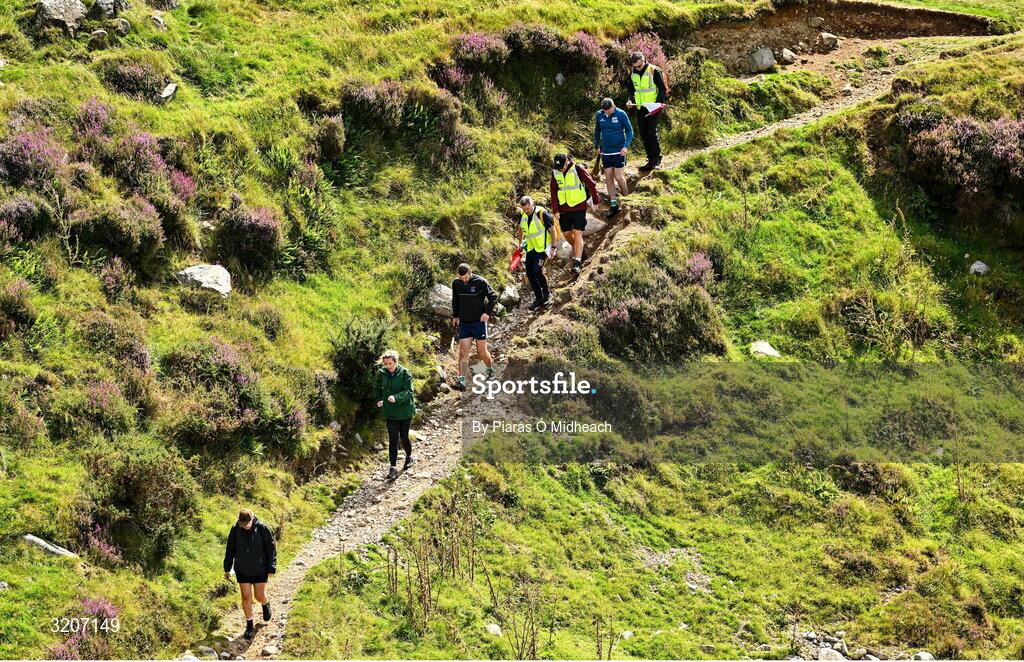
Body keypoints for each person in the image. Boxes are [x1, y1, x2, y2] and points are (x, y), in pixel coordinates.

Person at [223, 509, 277, 641]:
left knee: (259, 596)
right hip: (242, 570)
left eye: (247, 523)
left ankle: (265, 604)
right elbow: (230, 549)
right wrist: (227, 568)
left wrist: (271, 567)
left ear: (252, 518)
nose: (245, 525)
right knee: (246, 598)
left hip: (260, 569)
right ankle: (249, 625)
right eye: (243, 523)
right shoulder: (235, 529)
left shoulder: (262, 528)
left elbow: (271, 547)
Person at [549, 153, 600, 275]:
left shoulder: (578, 168)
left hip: (579, 207)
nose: (560, 169)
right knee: (566, 234)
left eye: (562, 166)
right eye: (558, 167)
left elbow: (591, 184)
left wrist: (596, 201)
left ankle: (577, 262)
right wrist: (555, 210)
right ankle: (581, 251)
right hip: (563, 209)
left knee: (578, 233)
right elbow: (553, 192)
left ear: (567, 161)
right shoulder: (555, 172)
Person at [451, 263, 498, 391]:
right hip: (465, 323)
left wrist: (487, 313)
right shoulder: (456, 283)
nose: (464, 280)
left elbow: (493, 297)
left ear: (470, 272)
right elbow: (455, 300)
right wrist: (455, 316)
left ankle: (490, 370)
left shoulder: (480, 282)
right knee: (463, 353)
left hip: (479, 322)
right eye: (462, 278)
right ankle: (462, 381)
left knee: (481, 352)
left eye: (466, 278)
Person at [374, 349, 415, 480]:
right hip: (390, 412)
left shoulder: (405, 373)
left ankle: (409, 457)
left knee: (404, 437)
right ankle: (392, 468)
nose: (388, 366)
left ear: (396, 362)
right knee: (392, 440)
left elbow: (409, 390)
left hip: (405, 411)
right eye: (385, 364)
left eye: (390, 363)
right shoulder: (382, 373)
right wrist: (380, 399)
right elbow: (377, 387)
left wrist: (396, 397)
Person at [625, 51, 668, 172]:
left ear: (644, 60)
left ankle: (657, 159)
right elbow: (631, 89)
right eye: (635, 66)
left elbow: (662, 89)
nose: (637, 68)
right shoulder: (633, 72)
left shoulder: (654, 70)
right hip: (640, 107)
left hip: (654, 107)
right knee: (644, 134)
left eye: (639, 65)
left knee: (651, 132)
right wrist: (629, 100)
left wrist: (658, 104)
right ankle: (650, 160)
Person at [594, 98, 634, 220]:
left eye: (609, 110)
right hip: (606, 151)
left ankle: (626, 199)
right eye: (605, 111)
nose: (607, 113)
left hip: (619, 151)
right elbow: (597, 130)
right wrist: (596, 145)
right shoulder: (599, 114)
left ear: (613, 106)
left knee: (618, 176)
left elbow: (630, 131)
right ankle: (613, 204)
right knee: (608, 177)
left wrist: (626, 147)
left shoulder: (621, 114)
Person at [516, 196, 555, 310]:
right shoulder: (523, 215)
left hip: (543, 248)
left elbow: (553, 230)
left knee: (537, 271)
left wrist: (553, 247)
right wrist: (520, 242)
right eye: (524, 209)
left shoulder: (542, 214)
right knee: (529, 273)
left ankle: (547, 294)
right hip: (531, 248)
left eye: (528, 208)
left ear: (533, 204)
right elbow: (520, 228)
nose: (526, 211)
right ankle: (539, 298)